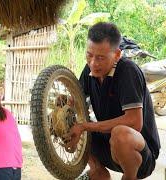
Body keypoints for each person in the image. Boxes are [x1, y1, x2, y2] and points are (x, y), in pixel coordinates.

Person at [66, 22, 161, 180]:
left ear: (116, 55)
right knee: (68, 123)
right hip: (107, 145)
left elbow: (134, 122)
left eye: (101, 58)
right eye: (89, 55)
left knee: (120, 134)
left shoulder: (128, 71)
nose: (93, 63)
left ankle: (130, 177)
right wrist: (66, 104)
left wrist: (85, 126)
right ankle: (98, 171)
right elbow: (76, 100)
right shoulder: (89, 69)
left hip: (141, 154)